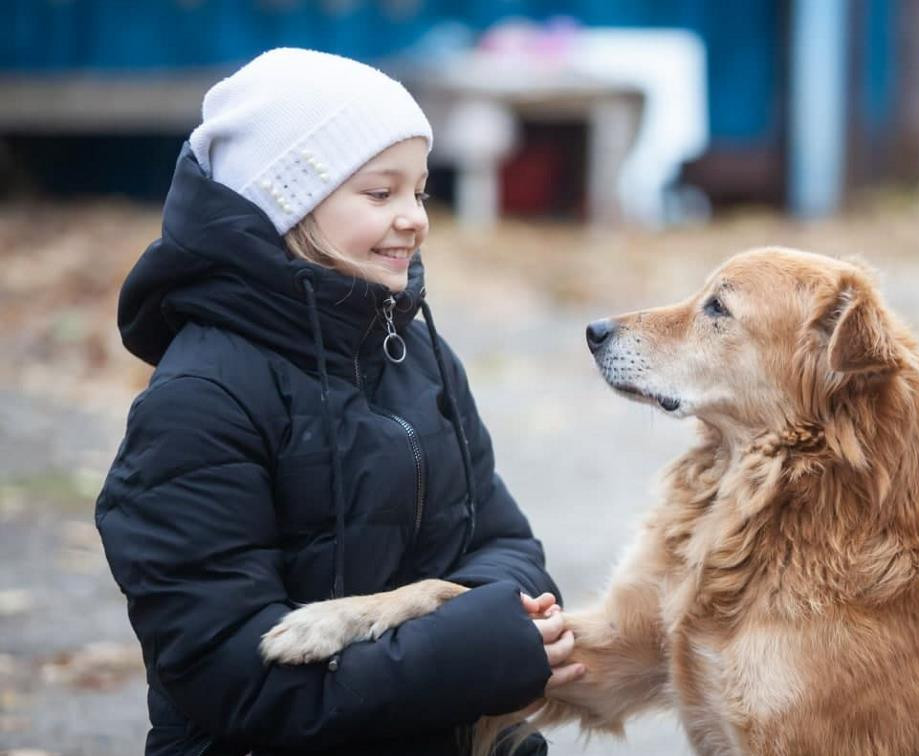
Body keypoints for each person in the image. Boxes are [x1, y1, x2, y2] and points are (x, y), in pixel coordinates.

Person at [95, 48, 582, 756]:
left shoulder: (418, 357)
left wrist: (503, 619)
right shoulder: (201, 401)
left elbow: (502, 542)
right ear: (283, 200)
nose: (414, 218)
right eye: (380, 194)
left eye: (419, 191)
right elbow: (233, 678)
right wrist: (465, 649)